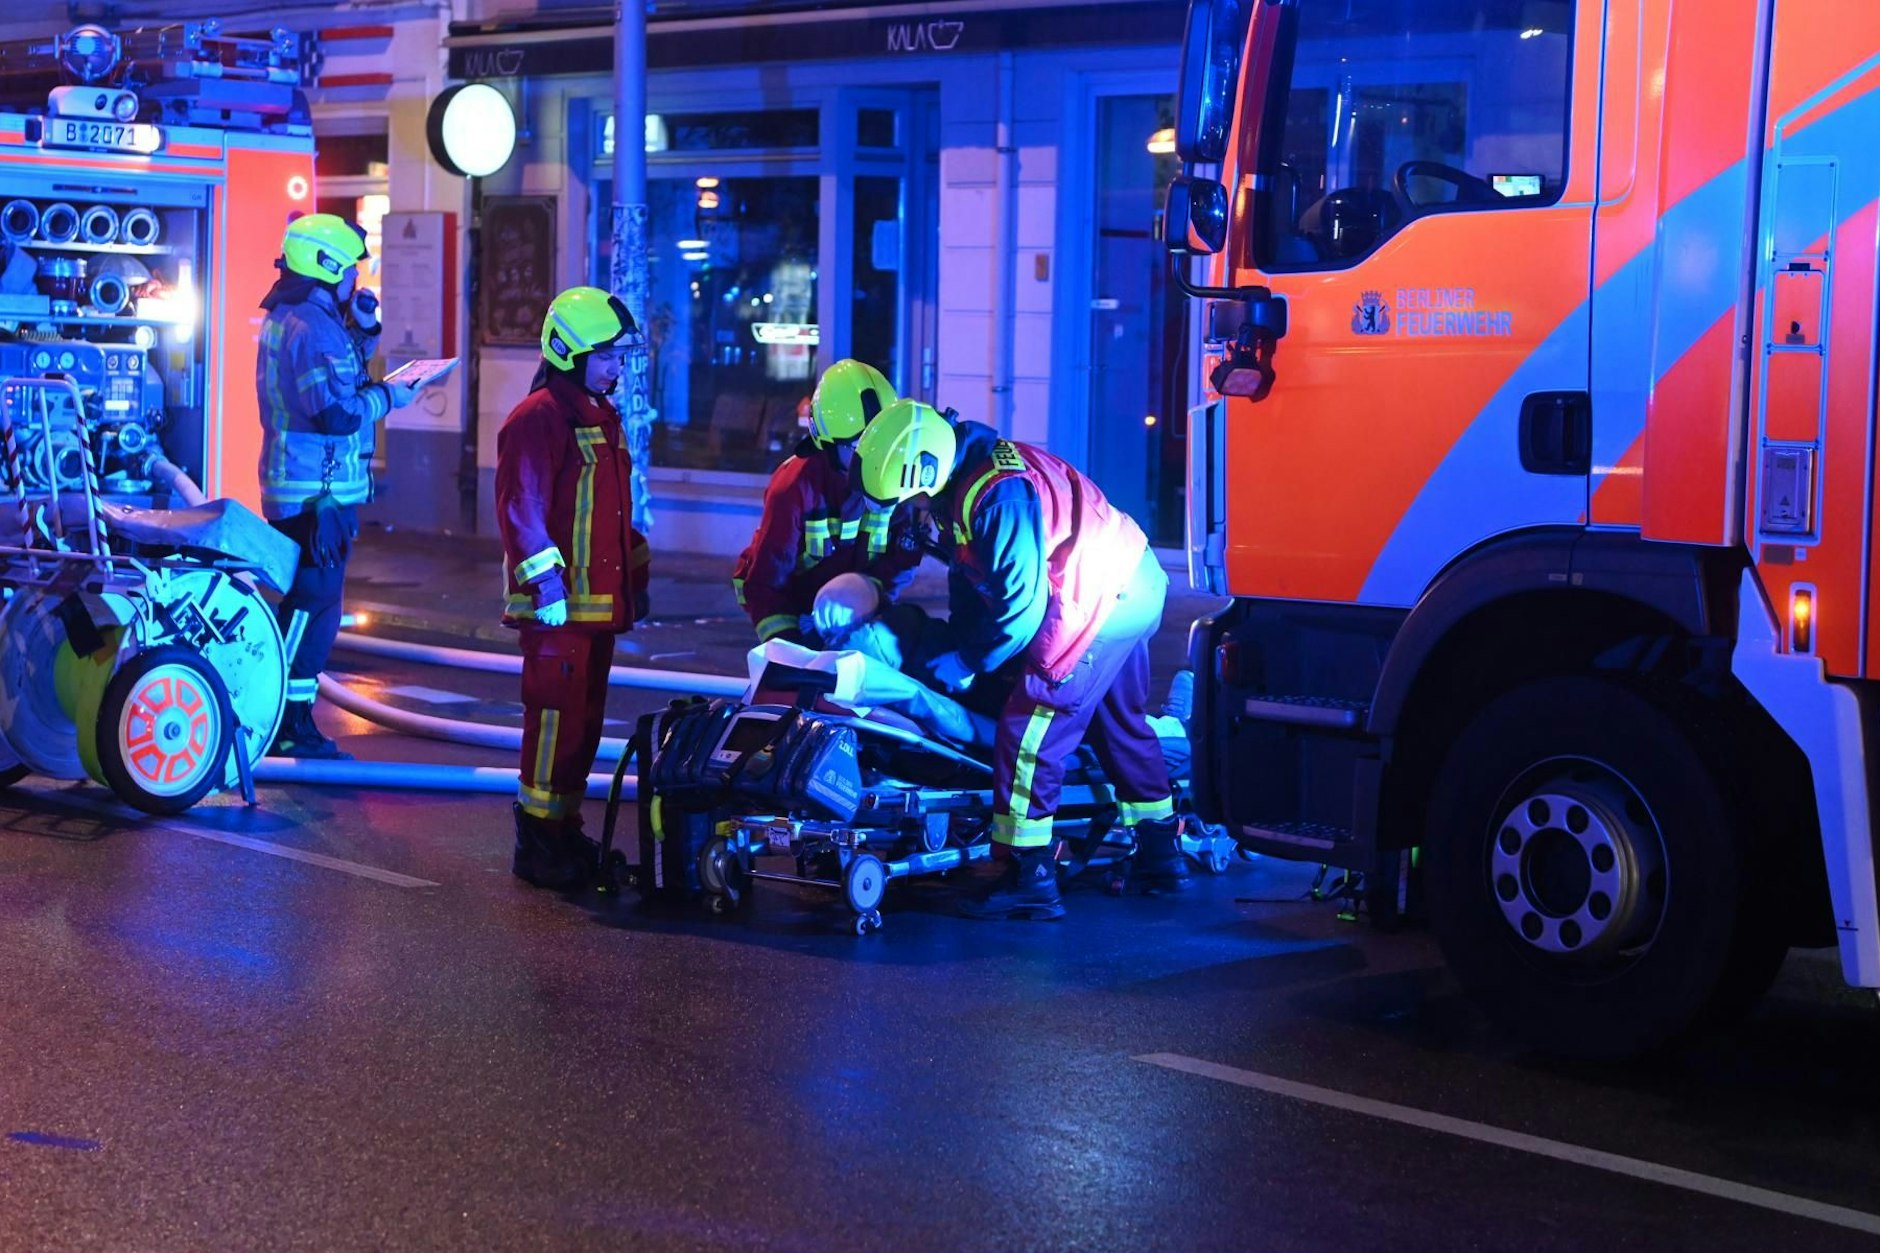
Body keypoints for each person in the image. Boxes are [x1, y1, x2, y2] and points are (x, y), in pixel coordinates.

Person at [854, 400, 1190, 920]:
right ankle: (1162, 856)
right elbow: (974, 578)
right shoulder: (961, 478)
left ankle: (1029, 874)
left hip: (1096, 592)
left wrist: (968, 660)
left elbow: (1019, 606)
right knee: (1117, 723)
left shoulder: (994, 497)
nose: (911, 509)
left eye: (910, 497)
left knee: (1032, 723)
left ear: (924, 470)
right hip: (1131, 579)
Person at [495, 286, 651, 890]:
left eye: (619, 355)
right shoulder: (538, 418)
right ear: (570, 353)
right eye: (607, 355)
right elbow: (521, 508)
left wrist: (637, 579)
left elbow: (613, 516)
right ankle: (537, 841)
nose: (617, 366)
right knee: (554, 723)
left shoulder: (598, 411)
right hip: (559, 610)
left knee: (585, 724)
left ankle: (562, 828)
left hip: (598, 608)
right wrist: (547, 586)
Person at [257, 212, 421, 759]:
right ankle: (287, 721)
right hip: (314, 498)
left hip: (308, 492)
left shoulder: (302, 315)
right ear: (327, 267)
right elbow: (334, 411)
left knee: (314, 605)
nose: (357, 277)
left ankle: (287, 717)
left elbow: (337, 376)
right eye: (351, 268)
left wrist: (363, 327)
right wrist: (391, 397)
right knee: (313, 607)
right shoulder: (312, 325)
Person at [731, 358, 926, 647]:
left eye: (882, 441)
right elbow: (765, 585)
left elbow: (901, 561)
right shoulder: (794, 487)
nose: (877, 457)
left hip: (855, 610)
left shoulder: (898, 477)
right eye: (860, 445)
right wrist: (789, 649)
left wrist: (867, 599)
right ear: (828, 442)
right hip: (790, 607)